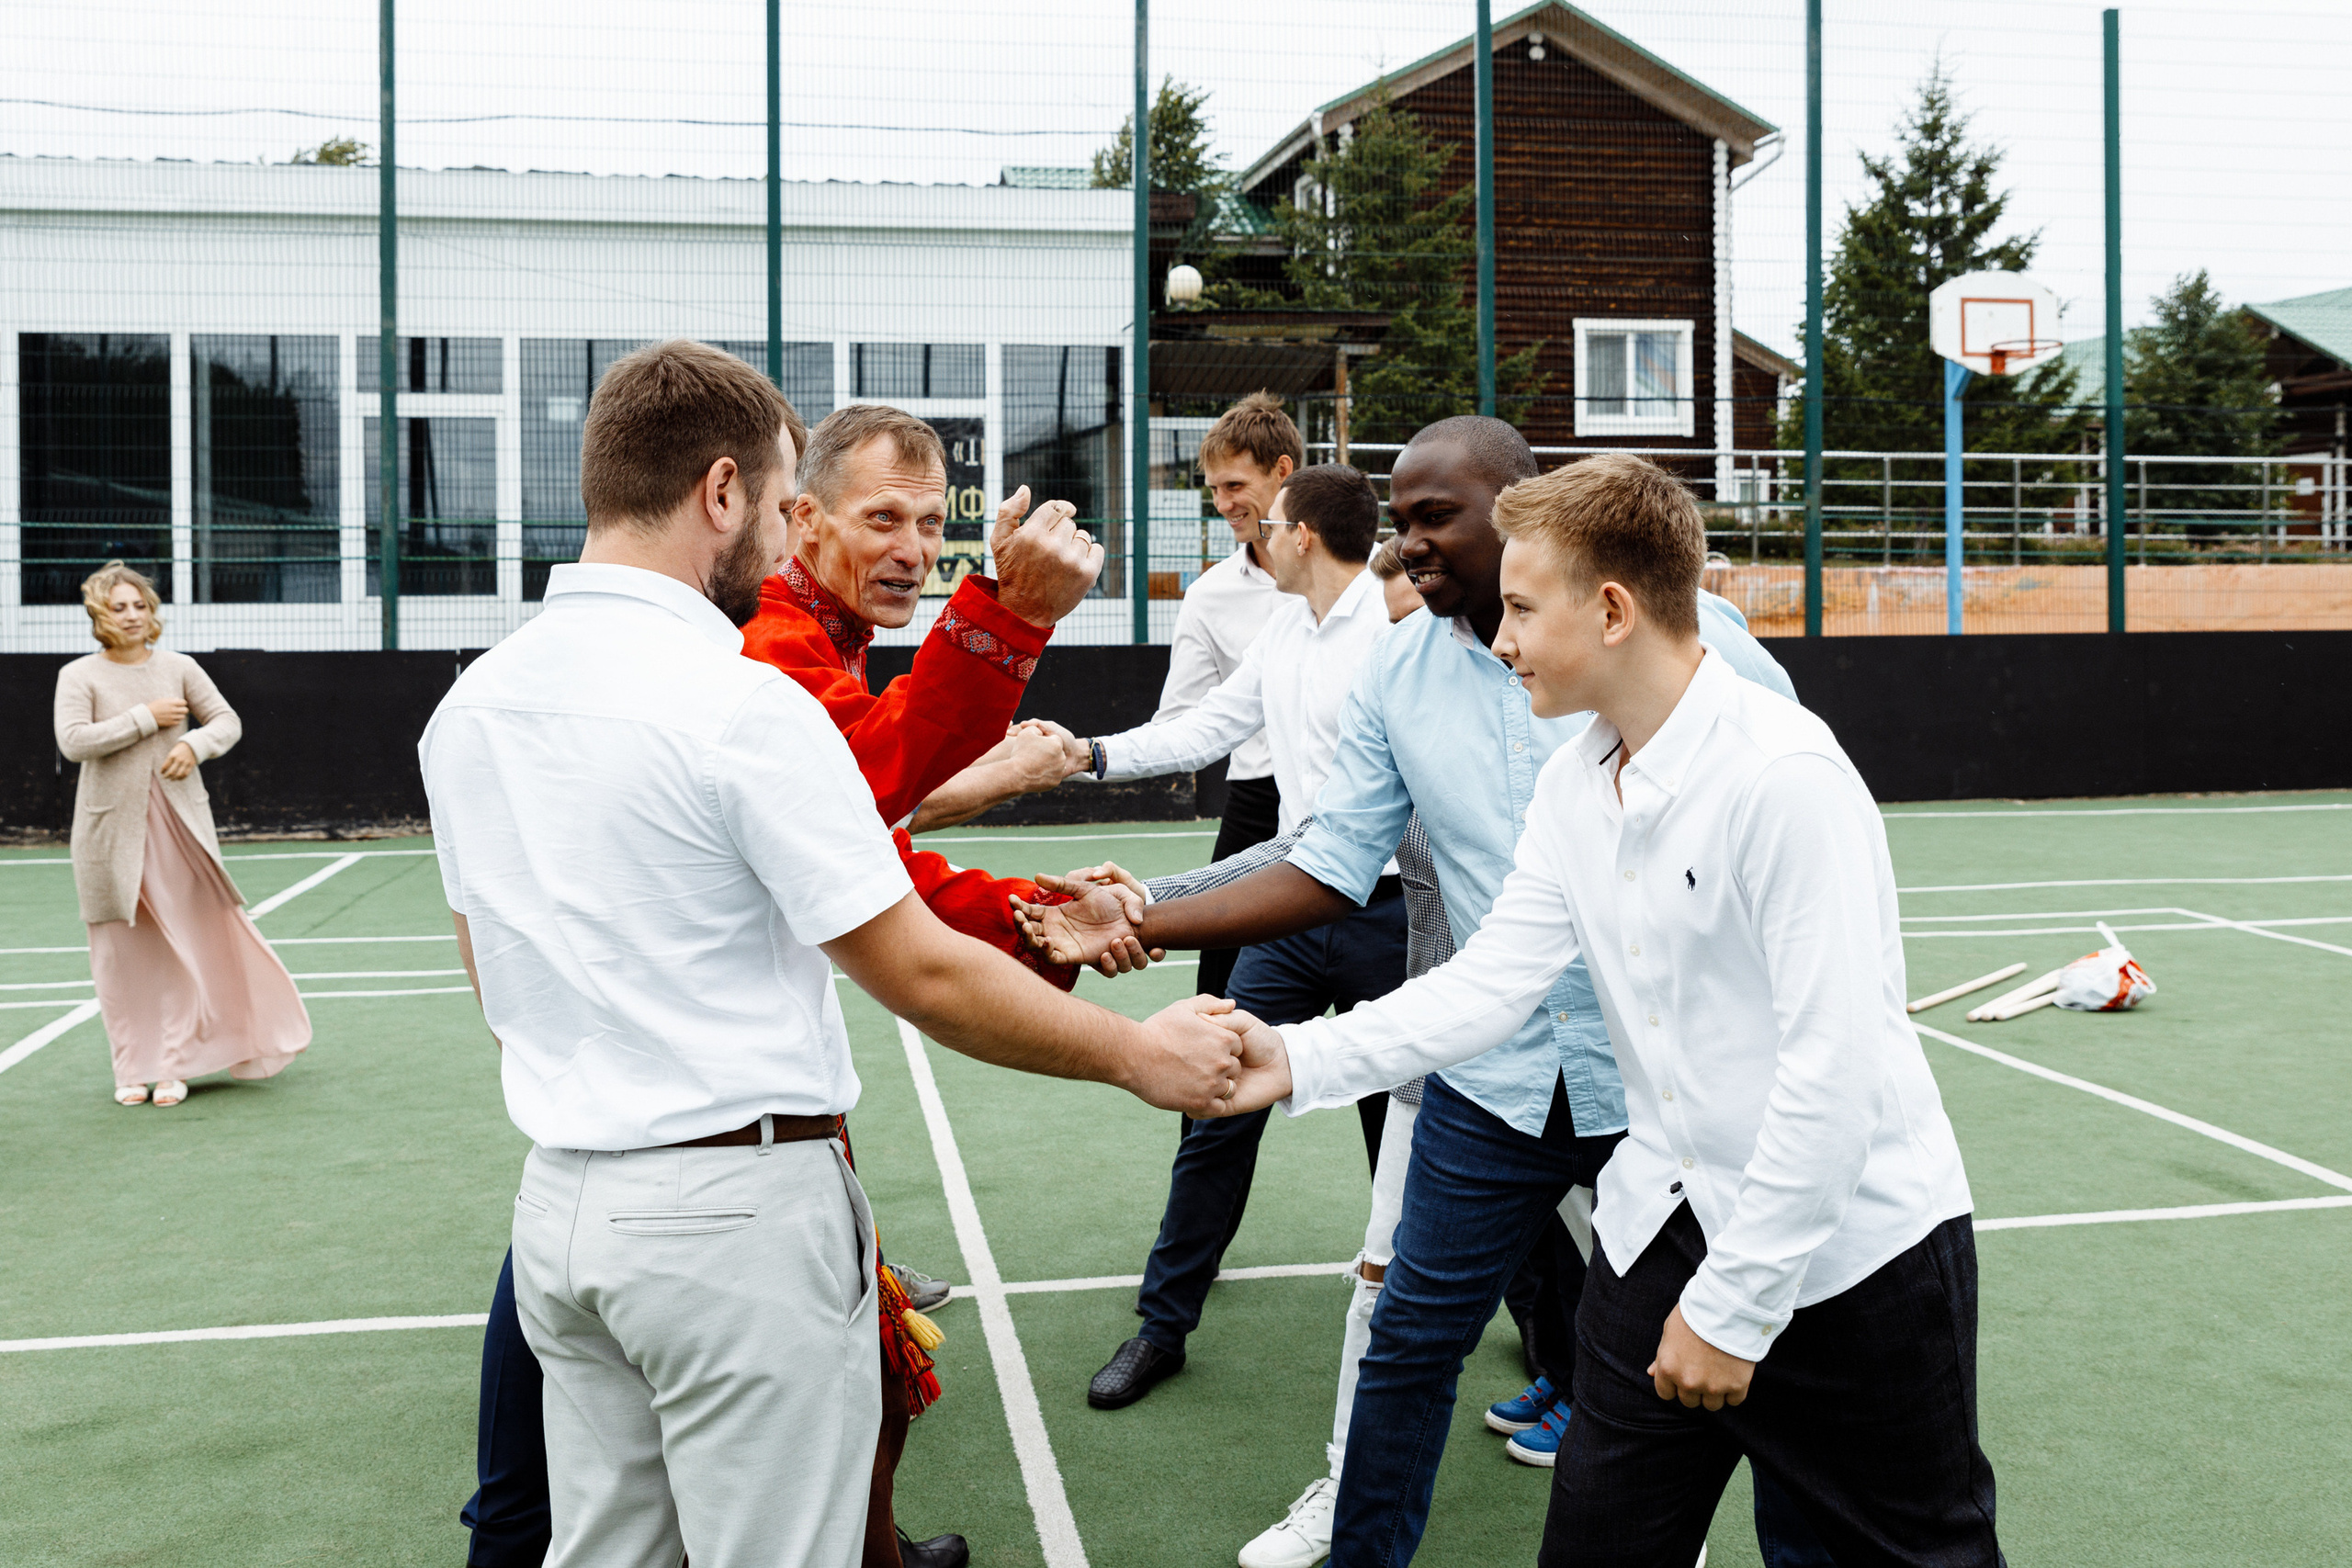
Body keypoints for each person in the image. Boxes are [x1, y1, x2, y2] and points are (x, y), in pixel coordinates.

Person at [421, 340, 1252, 1568]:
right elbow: (911, 958)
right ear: (727, 493)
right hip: (732, 1208)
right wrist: (1138, 1054)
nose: (782, 543)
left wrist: (1021, 905)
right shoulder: (744, 694)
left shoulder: (471, 703)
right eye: (781, 505)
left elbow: (500, 971)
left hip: (565, 1198)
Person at [1012, 420, 1830, 1568]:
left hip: (1661, 1080)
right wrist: (1143, 909)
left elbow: (1799, 859)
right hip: (1491, 1069)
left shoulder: (1703, 654)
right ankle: (1361, 1536)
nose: (1408, 544)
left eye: (1435, 516)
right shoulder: (1399, 670)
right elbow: (1330, 858)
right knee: (1405, 1333)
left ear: (1524, 511)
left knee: (1724, 1359)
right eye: (1399, 522)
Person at [1213, 453, 1999, 1568]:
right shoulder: (1574, 782)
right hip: (1658, 1222)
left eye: (1523, 611)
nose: (1500, 640)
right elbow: (1493, 979)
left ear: (1614, 611)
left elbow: (1835, 1080)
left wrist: (1735, 1306)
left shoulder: (1785, 778)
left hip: (1846, 1258)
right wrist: (1293, 1058)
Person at [1047, 463, 1408, 1413]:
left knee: (1412, 1127)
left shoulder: (1396, 632)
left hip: (1389, 916)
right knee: (1215, 1106)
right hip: (1292, 913)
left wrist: (1160, 900)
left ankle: (1542, 1340)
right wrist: (1087, 754)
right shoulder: (1287, 627)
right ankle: (1161, 1327)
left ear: (1304, 535)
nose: (1255, 535)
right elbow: (1206, 727)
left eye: (1270, 522)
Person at [53, 560, 309, 1108]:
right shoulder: (78, 675)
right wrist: (146, 717)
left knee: (181, 947)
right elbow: (73, 741)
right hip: (107, 839)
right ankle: (130, 1069)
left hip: (179, 832)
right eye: (119, 607)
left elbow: (226, 721)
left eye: (140, 605)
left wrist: (194, 744)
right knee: (118, 957)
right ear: (99, 615)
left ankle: (172, 1065)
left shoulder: (179, 667)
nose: (132, 615)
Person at [1159, 391, 1298, 1002]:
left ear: (1283, 471)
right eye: (1213, 489)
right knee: (1218, 996)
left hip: (1358, 800)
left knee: (1378, 988)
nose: (1222, 504)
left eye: (1235, 485)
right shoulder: (1208, 595)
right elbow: (1178, 721)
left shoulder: (1374, 578)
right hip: (1257, 801)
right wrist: (1082, 753)